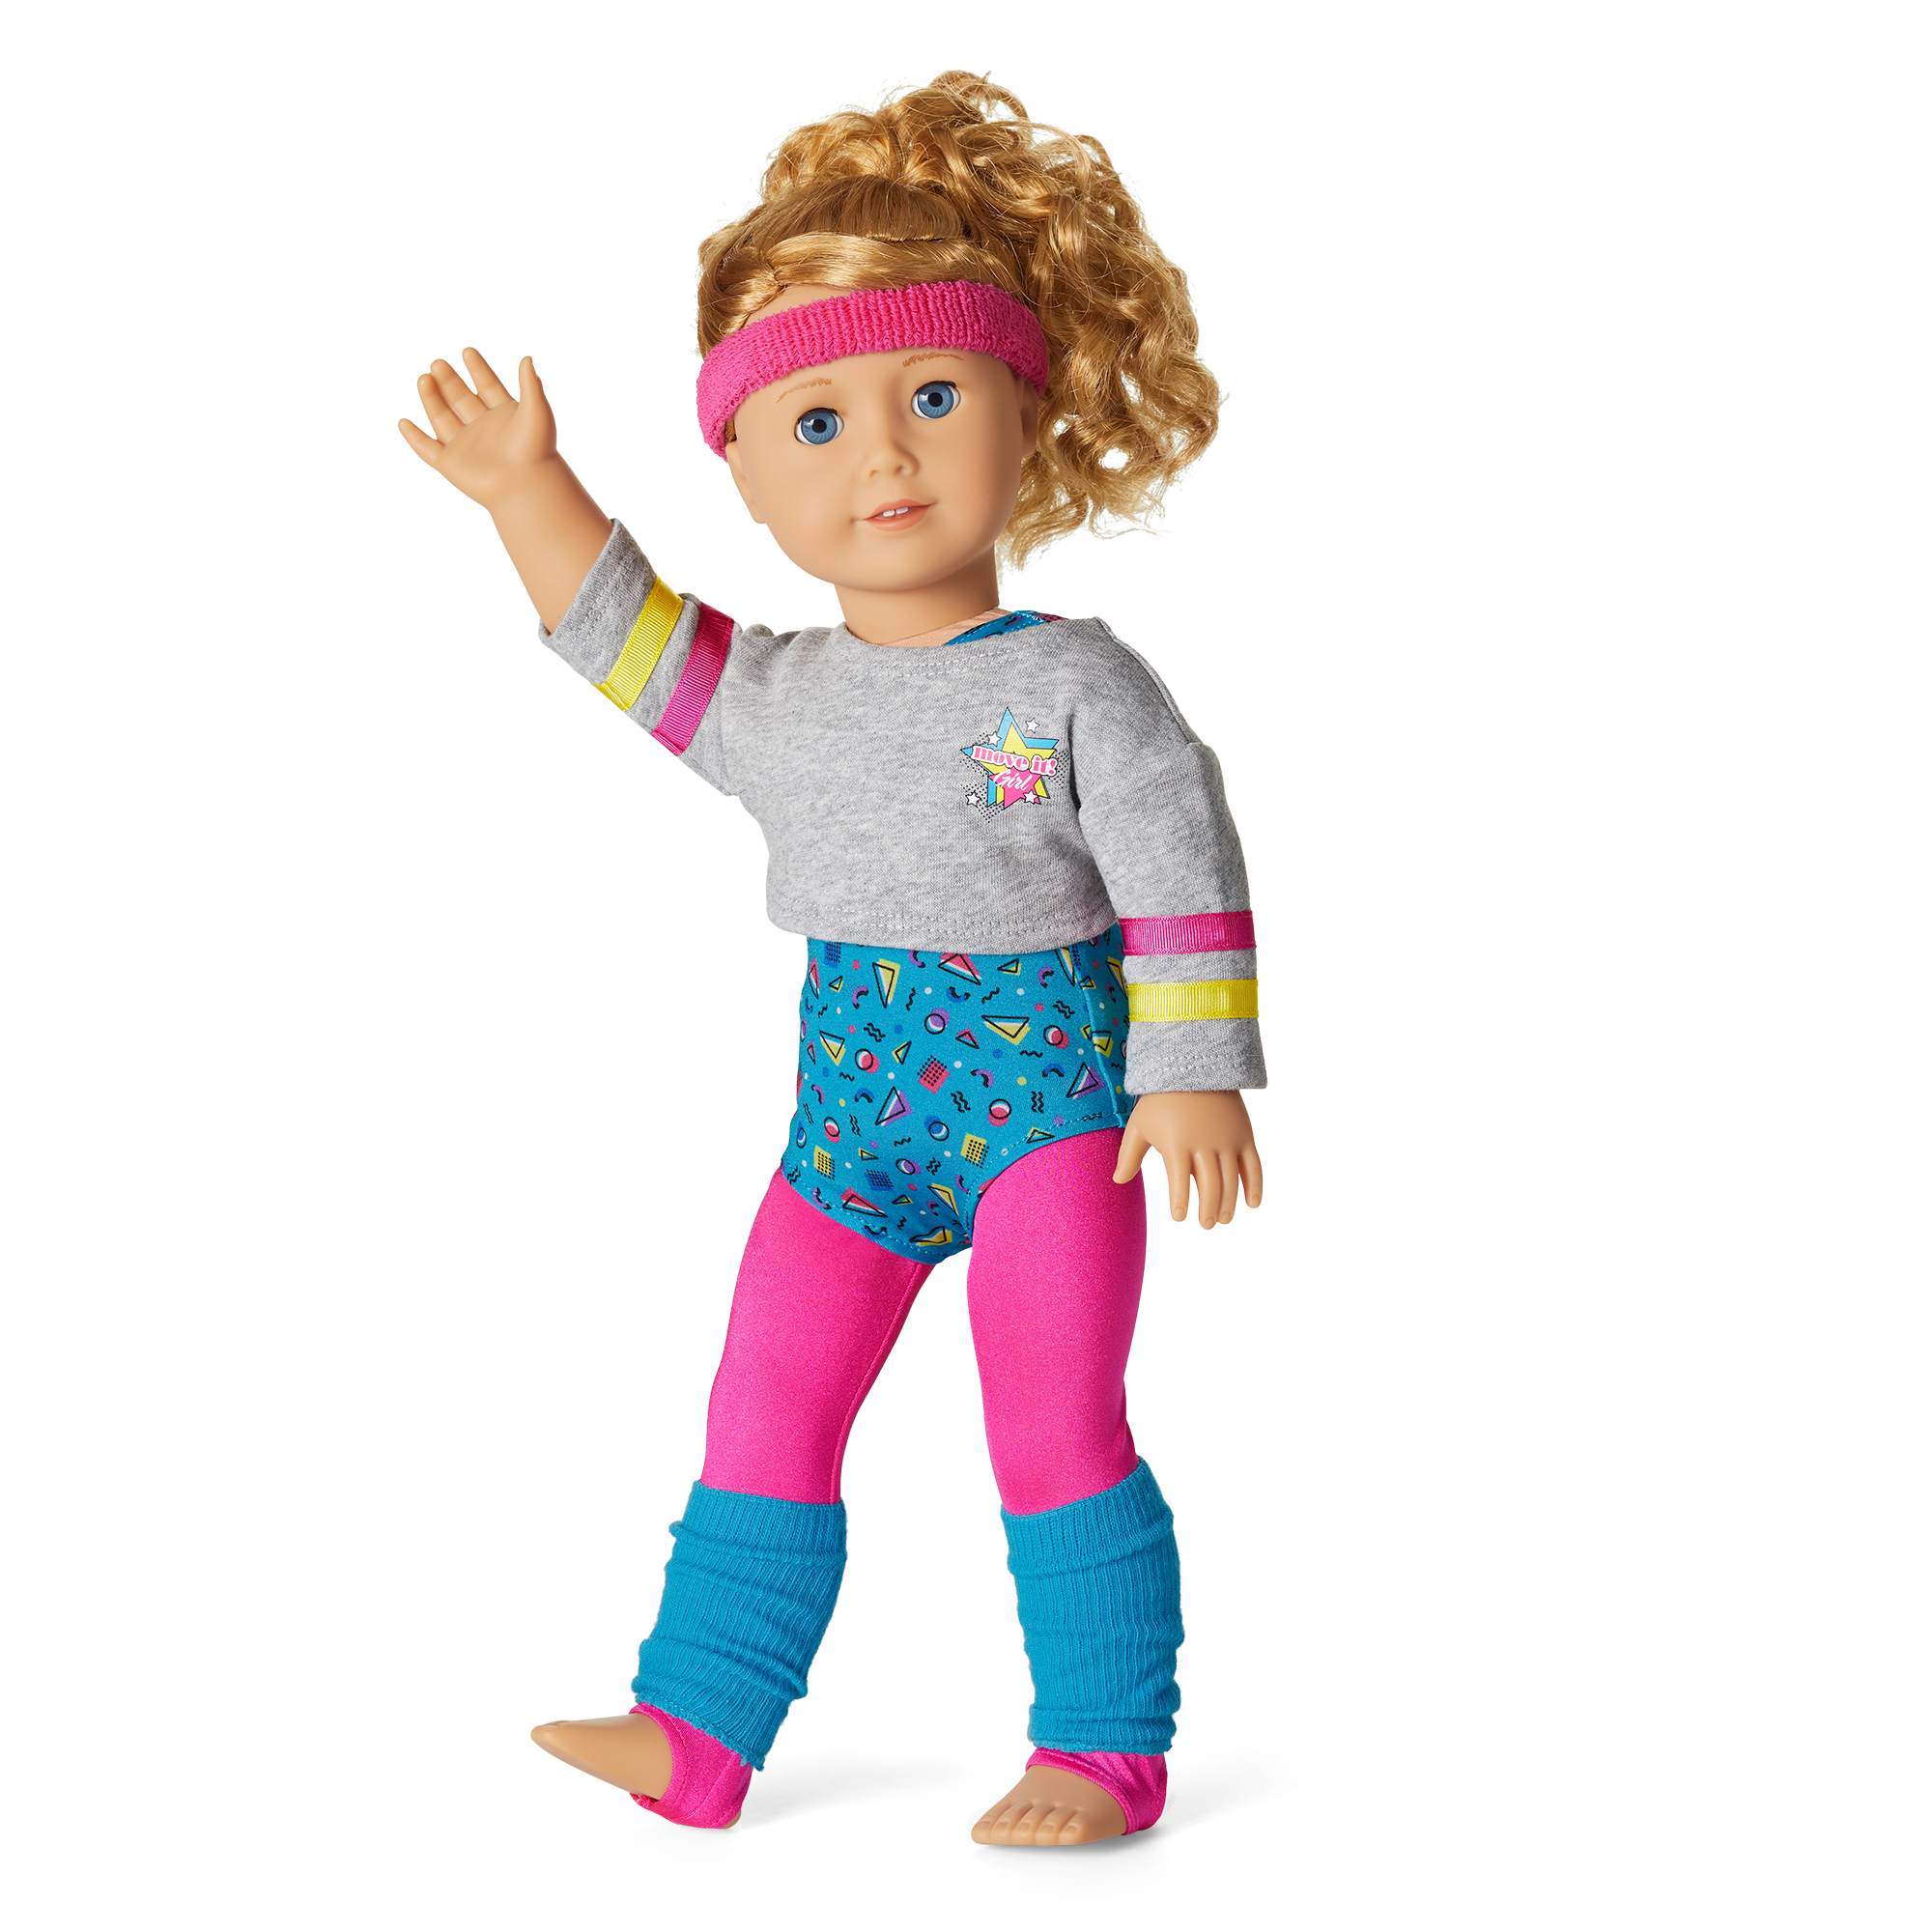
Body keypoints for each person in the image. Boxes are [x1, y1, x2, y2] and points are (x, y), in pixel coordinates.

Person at [399, 71, 1264, 1848]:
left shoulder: (1076, 682)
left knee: (1054, 1428)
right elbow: (616, 629)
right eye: (819, 421)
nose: (884, 456)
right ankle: (696, 1731)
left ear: (1027, 410)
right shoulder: (773, 699)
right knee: (764, 1407)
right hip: (846, 1138)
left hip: (1055, 1123)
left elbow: (1179, 863)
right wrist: (524, 486)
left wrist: (1190, 1071)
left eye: (934, 398)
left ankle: (1107, 1753)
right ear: (739, 467)